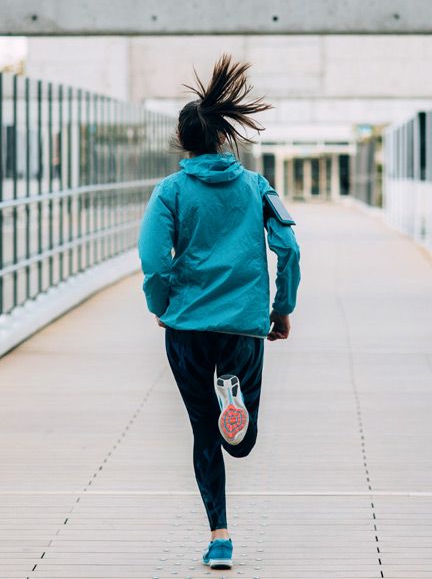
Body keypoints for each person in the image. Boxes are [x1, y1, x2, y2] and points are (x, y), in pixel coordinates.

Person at [138, 55, 300, 570]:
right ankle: (237, 404)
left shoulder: (170, 192)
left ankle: (220, 536)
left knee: (203, 430)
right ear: (224, 137)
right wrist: (281, 308)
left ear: (184, 143)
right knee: (241, 441)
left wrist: (163, 306)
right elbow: (289, 249)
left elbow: (151, 259)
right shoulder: (257, 188)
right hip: (242, 326)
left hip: (186, 327)